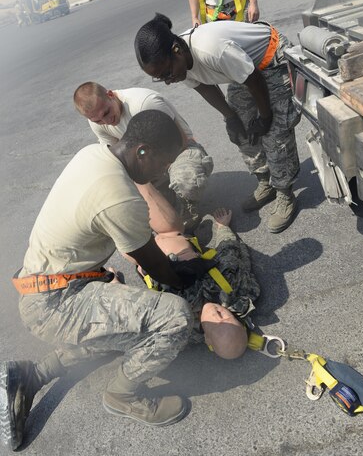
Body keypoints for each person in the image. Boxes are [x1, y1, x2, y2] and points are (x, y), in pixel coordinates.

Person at [0, 110, 217, 451]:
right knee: (172, 316)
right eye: (164, 163)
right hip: (54, 303)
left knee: (125, 321)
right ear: (143, 151)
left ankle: (33, 375)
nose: (163, 172)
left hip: (46, 285)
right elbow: (155, 266)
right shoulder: (120, 198)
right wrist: (183, 275)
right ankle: (122, 395)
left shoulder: (93, 154)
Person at [134, 14, 301, 234]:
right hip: (244, 71)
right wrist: (230, 117)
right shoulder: (179, 63)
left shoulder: (211, 49)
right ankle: (265, 179)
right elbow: (204, 86)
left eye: (166, 73)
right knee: (240, 128)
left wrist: (265, 117)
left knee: (274, 132)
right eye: (159, 78)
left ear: (176, 50)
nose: (167, 80)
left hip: (271, 59)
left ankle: (284, 192)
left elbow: (254, 80)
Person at [136, 182, 259, 358]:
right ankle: (138, 177)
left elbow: (141, 321)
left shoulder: (182, 330)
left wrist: (113, 283)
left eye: (217, 325)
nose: (219, 315)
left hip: (144, 257)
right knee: (167, 223)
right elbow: (231, 253)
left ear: (208, 340)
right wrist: (223, 228)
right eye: (228, 319)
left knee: (118, 215)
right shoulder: (234, 290)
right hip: (171, 235)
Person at [73, 82, 213, 229]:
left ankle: (188, 205)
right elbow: (115, 156)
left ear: (110, 95)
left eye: (107, 113)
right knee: (127, 195)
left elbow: (182, 140)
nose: (106, 121)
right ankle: (168, 201)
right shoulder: (96, 120)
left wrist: (156, 171)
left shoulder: (145, 103)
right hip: (146, 160)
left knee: (185, 181)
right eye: (98, 120)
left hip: (179, 151)